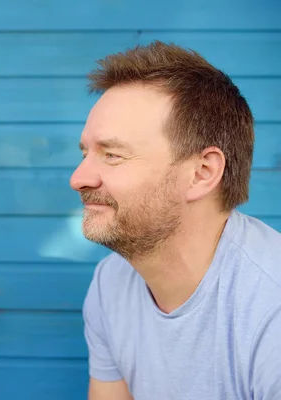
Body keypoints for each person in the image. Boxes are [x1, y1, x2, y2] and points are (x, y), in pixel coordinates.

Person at [70, 41, 281, 399]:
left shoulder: (270, 309)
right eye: (86, 153)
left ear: (201, 173)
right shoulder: (111, 283)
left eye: (112, 154)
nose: (78, 178)